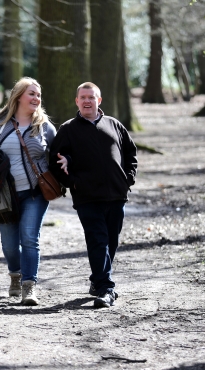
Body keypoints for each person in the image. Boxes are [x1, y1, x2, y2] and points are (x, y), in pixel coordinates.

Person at [49, 82, 137, 308]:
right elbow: (55, 160)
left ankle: (97, 280)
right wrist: (73, 183)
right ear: (77, 101)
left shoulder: (115, 125)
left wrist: (128, 179)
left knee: (111, 241)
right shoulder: (68, 129)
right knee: (97, 240)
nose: (87, 101)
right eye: (83, 97)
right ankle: (107, 288)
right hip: (87, 197)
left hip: (117, 195)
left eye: (91, 97)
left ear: (99, 100)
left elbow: (130, 152)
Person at [0, 77, 57, 306]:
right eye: (31, 93)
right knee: (10, 245)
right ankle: (15, 274)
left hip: (35, 193)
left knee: (30, 239)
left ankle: (29, 287)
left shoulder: (44, 127)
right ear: (18, 96)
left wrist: (64, 163)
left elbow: (59, 152)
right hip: (5, 196)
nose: (36, 98)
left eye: (38, 95)